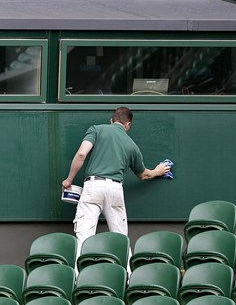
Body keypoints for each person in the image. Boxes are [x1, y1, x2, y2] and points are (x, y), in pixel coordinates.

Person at [61, 106, 171, 259]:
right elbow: (144, 174)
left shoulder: (97, 129)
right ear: (128, 125)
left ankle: (79, 279)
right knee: (121, 239)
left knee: (84, 238)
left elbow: (81, 154)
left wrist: (69, 180)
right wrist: (158, 171)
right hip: (115, 188)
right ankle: (128, 277)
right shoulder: (132, 145)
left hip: (93, 186)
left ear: (111, 121)